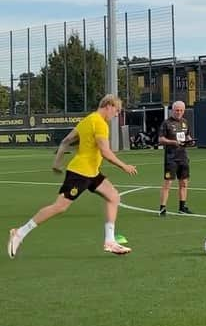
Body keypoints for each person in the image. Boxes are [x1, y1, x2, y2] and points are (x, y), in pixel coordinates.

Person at [7, 93, 137, 258]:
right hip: (80, 173)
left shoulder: (87, 120)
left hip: (91, 172)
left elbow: (66, 141)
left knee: (113, 196)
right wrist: (124, 166)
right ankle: (19, 232)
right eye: (117, 110)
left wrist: (57, 162)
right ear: (109, 105)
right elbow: (105, 152)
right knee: (60, 207)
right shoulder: (100, 123)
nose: (117, 114)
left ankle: (110, 241)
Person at [158, 100, 194, 216]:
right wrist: (174, 142)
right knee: (168, 183)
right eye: (177, 110)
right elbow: (161, 139)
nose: (179, 112)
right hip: (171, 158)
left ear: (184, 111)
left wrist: (190, 141)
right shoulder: (166, 123)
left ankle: (182, 207)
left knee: (184, 183)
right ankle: (162, 208)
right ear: (172, 110)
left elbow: (187, 135)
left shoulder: (185, 122)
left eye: (181, 110)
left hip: (183, 157)